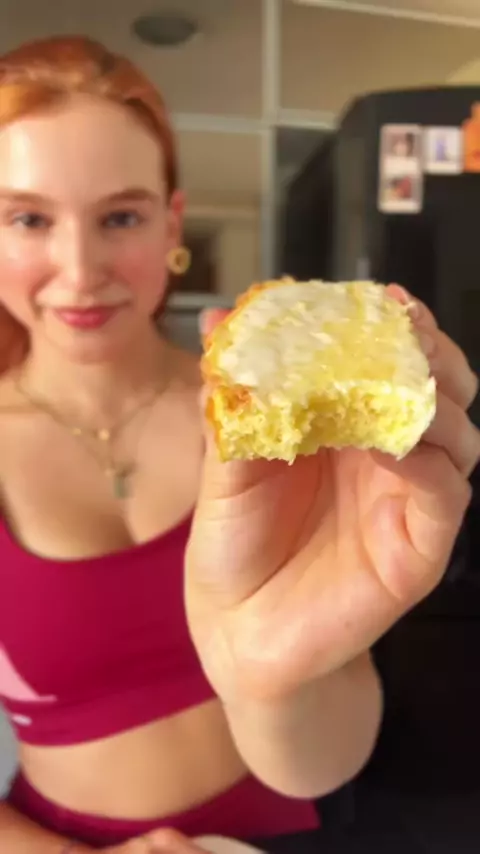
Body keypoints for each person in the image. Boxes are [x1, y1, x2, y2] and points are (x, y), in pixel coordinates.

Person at [0, 34, 477, 854]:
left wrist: (270, 673)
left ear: (171, 223)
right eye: (28, 218)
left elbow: (325, 762)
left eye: (121, 216)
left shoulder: (280, 418)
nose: (80, 270)